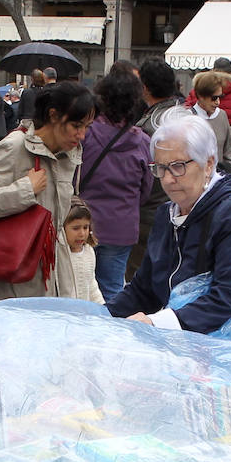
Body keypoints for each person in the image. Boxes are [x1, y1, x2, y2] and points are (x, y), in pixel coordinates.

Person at [107, 112, 231, 334]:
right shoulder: (166, 214)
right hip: (187, 343)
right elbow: (144, 288)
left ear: (208, 164)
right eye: (161, 167)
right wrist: (102, 319)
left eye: (178, 166)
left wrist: (158, 322)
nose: (167, 179)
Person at [0, 81, 96, 309]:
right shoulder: (16, 145)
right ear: (53, 115)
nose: (81, 135)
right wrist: (26, 189)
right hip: (6, 276)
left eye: (87, 127)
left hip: (48, 274)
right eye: (76, 125)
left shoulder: (66, 153)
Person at [77, 64, 152, 301]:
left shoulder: (85, 134)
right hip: (121, 226)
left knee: (78, 290)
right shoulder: (143, 143)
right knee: (111, 290)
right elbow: (146, 189)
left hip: (83, 223)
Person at [127, 57, 181, 281]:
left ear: (145, 88)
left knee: (143, 277)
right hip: (187, 206)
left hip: (152, 210)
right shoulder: (191, 117)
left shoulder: (145, 128)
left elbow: (138, 176)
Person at [187, 71, 231, 175]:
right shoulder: (188, 118)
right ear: (201, 96)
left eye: (220, 97)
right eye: (214, 98)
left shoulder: (222, 115)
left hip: (219, 179)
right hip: (195, 179)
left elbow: (229, 154)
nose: (218, 102)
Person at [184, 57, 231, 129]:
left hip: (198, 136)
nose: (217, 102)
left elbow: (185, 115)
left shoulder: (197, 92)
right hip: (229, 138)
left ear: (212, 70)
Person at [63, 197, 104, 304]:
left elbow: (92, 285)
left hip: (83, 314)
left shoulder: (89, 252)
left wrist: (102, 307)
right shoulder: (60, 255)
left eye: (85, 227)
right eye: (76, 228)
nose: (82, 233)